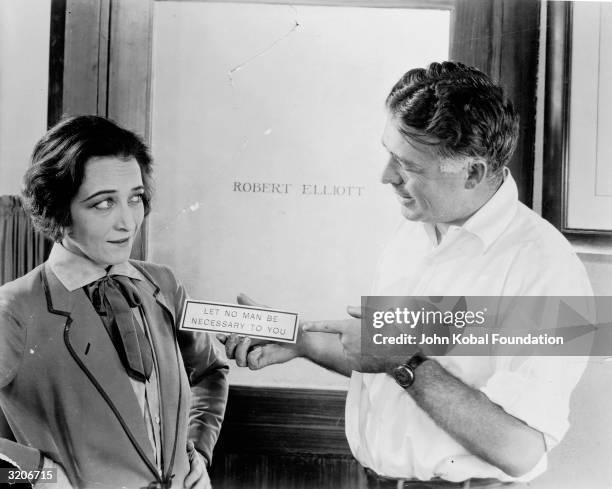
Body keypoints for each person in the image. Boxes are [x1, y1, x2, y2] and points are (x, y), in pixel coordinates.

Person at [222, 62, 594, 487]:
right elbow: (389, 363)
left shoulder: (549, 269)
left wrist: (405, 361)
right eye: (389, 153)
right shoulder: (415, 230)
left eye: (409, 165)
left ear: (472, 171)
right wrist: (303, 341)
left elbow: (520, 450)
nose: (386, 176)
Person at [0, 116, 229, 489]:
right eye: (104, 203)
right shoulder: (15, 307)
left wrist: (197, 452)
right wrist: (37, 474)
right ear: (60, 209)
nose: (129, 222)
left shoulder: (165, 286)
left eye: (135, 198)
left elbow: (210, 371)